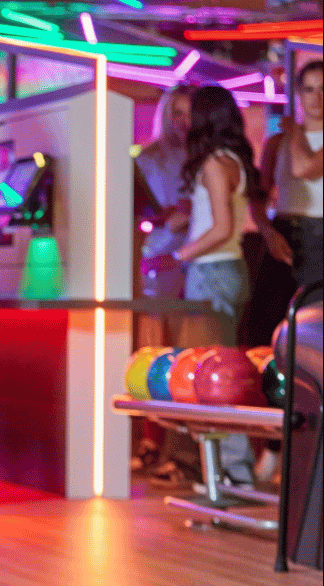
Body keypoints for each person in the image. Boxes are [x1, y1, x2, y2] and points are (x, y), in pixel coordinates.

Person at [172, 85, 267, 487]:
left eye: (188, 112)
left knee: (211, 379)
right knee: (221, 375)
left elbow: (221, 228)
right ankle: (231, 470)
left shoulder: (213, 163)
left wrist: (181, 254)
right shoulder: (236, 161)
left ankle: (232, 472)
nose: (184, 121)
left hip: (211, 272)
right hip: (231, 270)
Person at [251, 59, 323, 483]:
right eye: (309, 89)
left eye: (323, 89)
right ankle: (274, 442)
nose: (317, 98)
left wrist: (293, 130)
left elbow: (304, 169)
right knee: (264, 336)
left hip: (319, 238)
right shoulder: (278, 141)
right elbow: (258, 196)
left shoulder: (290, 138)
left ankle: (297, 450)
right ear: (297, 94)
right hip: (282, 233)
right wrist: (265, 230)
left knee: (308, 341)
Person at [132, 83, 194, 480]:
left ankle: (181, 448)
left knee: (187, 355)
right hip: (158, 258)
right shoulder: (147, 158)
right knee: (155, 352)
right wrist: (162, 219)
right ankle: (151, 440)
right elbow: (135, 211)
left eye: (190, 113)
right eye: (177, 113)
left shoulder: (205, 158)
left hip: (196, 261)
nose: (183, 122)